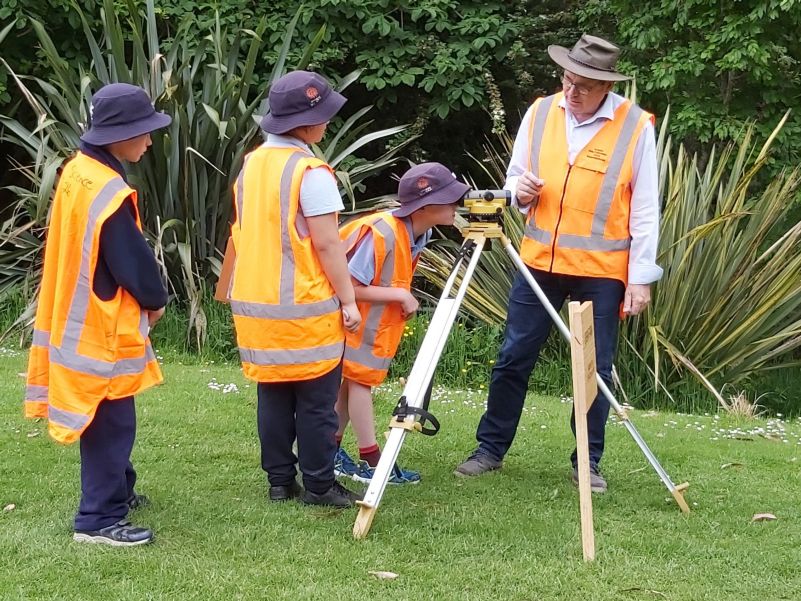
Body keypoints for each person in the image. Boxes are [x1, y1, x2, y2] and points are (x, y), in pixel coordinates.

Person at [455, 34, 663, 493]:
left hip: (602, 270)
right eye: (567, 80)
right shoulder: (541, 111)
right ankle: (490, 449)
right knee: (513, 357)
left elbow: (647, 208)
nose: (571, 92)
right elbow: (515, 178)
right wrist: (520, 193)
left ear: (606, 86)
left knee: (594, 368)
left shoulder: (635, 126)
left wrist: (641, 278)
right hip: (539, 262)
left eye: (583, 86)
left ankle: (587, 462)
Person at [24, 83, 171, 545]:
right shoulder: (107, 189)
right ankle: (98, 520)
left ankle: (118, 493)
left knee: (106, 418)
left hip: (74, 315)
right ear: (117, 134)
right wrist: (156, 298)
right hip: (98, 326)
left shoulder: (78, 170)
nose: (148, 141)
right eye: (143, 132)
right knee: (111, 421)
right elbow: (130, 259)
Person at [227, 70, 364, 508]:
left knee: (273, 395)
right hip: (306, 308)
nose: (327, 124)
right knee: (316, 402)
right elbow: (326, 243)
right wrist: (349, 300)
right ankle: (320, 485)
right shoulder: (311, 172)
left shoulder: (252, 164)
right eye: (323, 116)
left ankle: (279, 482)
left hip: (256, 307)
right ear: (306, 124)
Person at [333, 162, 469, 485]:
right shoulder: (383, 233)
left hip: (365, 327)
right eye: (450, 200)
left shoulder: (418, 233)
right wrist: (398, 296)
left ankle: (330, 450)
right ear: (426, 205)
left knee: (351, 382)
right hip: (351, 323)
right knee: (360, 383)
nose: (457, 206)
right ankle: (372, 461)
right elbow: (348, 287)